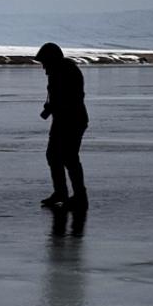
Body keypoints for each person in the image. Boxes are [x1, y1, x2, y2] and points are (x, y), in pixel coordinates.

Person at [34, 42, 88, 211]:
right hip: (64, 121)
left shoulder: (64, 72)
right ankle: (64, 194)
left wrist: (53, 107)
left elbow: (70, 98)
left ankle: (78, 196)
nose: (43, 67)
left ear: (51, 59)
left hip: (72, 121)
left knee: (68, 158)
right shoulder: (59, 71)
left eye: (44, 62)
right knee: (56, 156)